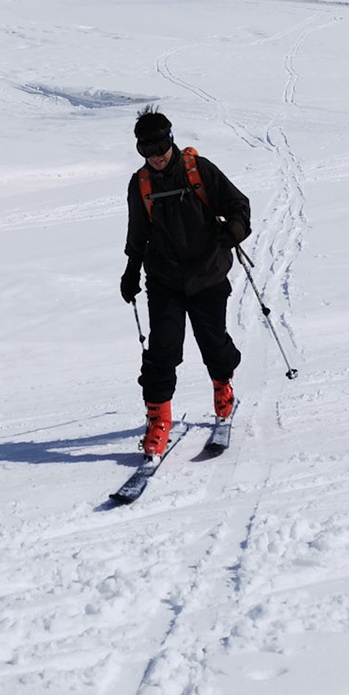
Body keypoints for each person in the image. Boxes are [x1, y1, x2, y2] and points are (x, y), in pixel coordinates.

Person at [121, 109, 251, 455]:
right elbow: (137, 233)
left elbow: (238, 204)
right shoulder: (140, 183)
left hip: (208, 274)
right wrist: (131, 271)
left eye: (160, 148)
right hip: (165, 279)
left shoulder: (199, 170)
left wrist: (235, 229)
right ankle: (159, 422)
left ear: (171, 141)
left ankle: (223, 390)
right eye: (147, 150)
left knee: (214, 344)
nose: (156, 157)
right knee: (162, 351)